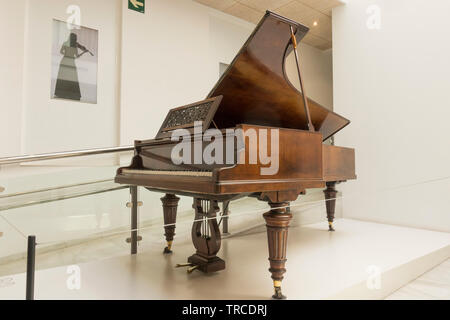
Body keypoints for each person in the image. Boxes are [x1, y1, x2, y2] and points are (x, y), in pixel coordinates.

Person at [54, 33, 92, 101]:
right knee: (72, 78)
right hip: (71, 62)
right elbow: (77, 56)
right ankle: (71, 94)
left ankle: (61, 93)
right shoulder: (75, 46)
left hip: (65, 61)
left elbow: (61, 52)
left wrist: (67, 54)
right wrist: (83, 52)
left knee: (64, 77)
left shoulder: (66, 43)